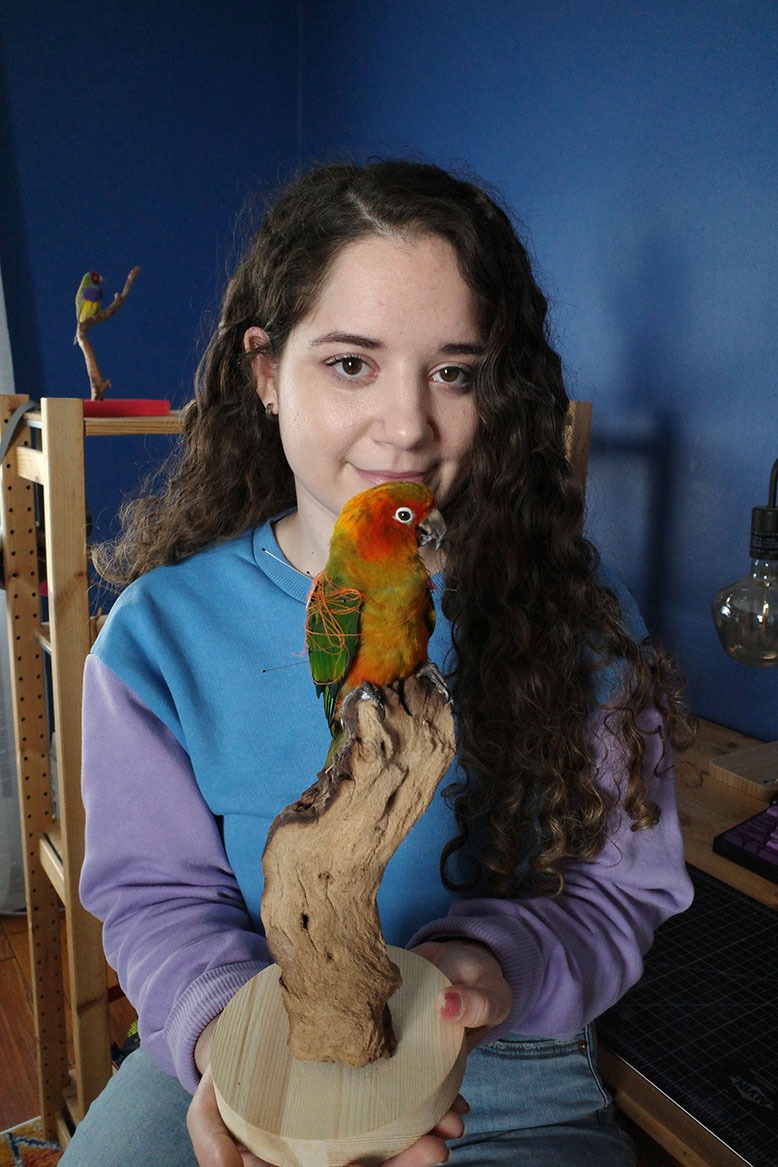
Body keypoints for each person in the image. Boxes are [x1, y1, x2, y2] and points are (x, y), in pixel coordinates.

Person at [62, 159, 695, 1167]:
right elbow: (153, 898)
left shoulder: (579, 621)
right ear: (266, 371)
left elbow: (622, 891)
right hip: (245, 1030)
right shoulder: (156, 635)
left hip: (513, 1064)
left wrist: (489, 968)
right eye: (351, 362)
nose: (407, 425)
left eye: (455, 371)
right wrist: (231, 1039)